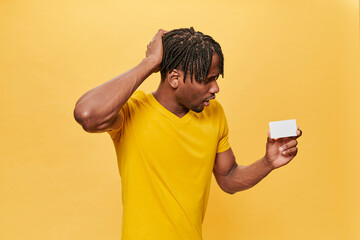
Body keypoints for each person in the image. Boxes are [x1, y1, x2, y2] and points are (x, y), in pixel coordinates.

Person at [73, 27, 302, 240]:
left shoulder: (214, 113)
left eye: (216, 78)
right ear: (175, 78)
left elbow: (229, 177)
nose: (215, 88)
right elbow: (87, 114)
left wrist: (268, 162)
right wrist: (150, 62)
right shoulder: (132, 111)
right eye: (207, 80)